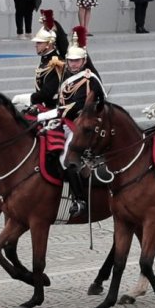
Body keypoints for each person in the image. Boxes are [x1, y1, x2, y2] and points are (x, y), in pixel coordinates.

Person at [42, 26, 104, 217]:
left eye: (76, 61)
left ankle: (79, 199)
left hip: (81, 126)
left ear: (84, 61)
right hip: (65, 123)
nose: (73, 64)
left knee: (67, 159)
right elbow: (61, 100)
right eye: (70, 61)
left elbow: (75, 106)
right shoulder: (67, 77)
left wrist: (48, 115)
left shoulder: (90, 80)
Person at [11, 10, 68, 111]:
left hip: (53, 109)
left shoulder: (55, 63)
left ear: (49, 44)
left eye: (39, 43)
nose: (36, 45)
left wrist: (27, 98)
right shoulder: (45, 59)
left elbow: (48, 93)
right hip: (43, 106)